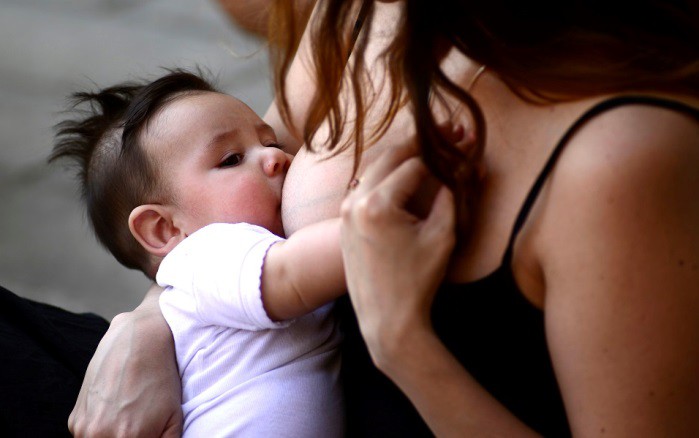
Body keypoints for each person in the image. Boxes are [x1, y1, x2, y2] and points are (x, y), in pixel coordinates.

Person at [2, 0, 697, 436]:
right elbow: (205, 220)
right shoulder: (362, 15)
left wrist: (404, 345)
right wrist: (146, 328)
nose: (271, 159)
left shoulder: (622, 155)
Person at [49, 69, 350, 436]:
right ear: (165, 229)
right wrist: (375, 218)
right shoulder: (207, 255)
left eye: (271, 142)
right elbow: (293, 275)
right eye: (232, 160)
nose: (275, 157)